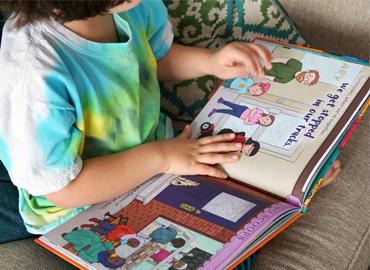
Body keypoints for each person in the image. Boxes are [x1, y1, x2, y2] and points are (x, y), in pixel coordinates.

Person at [0, 0, 340, 242]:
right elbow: (60, 189)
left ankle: (291, 185)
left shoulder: (132, 7)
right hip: (80, 202)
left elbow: (152, 60)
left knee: (228, 162)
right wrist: (162, 157)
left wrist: (212, 61)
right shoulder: (32, 75)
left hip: (159, 154)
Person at [208, 97, 275, 126]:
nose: (264, 121)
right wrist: (249, 116)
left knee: (228, 111)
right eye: (266, 119)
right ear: (267, 115)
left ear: (263, 124)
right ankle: (222, 101)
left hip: (239, 115)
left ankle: (216, 110)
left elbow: (245, 123)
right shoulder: (261, 112)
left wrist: (247, 119)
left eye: (265, 123)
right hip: (243, 109)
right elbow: (254, 109)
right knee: (232, 105)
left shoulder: (254, 123)